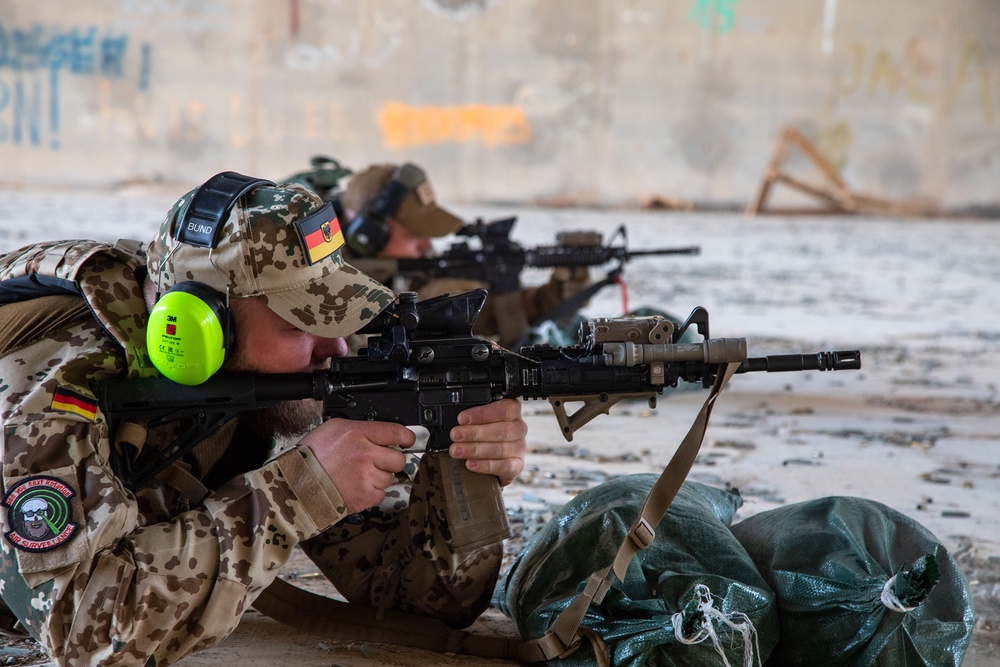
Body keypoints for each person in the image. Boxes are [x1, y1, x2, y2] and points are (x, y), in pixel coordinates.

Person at [0, 174, 527, 665]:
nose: (335, 347)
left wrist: (457, 454)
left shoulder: (267, 389)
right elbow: (85, 636)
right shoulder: (50, 391)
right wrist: (296, 492)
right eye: (302, 322)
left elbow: (415, 594)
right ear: (201, 326)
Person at [339, 162, 592, 348]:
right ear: (369, 233)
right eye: (414, 234)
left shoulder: (416, 266)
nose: (427, 243)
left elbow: (490, 316)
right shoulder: (326, 279)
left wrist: (544, 299)